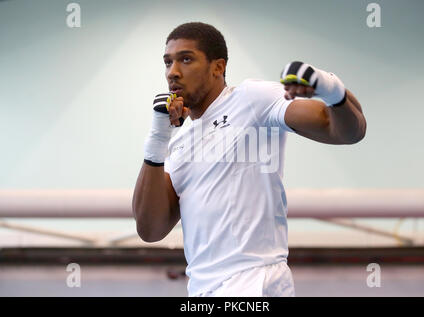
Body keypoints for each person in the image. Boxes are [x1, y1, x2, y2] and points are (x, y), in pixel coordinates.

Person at [132, 22, 366, 297]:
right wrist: (158, 140)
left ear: (218, 67)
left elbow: (345, 131)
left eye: (186, 59)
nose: (173, 72)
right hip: (203, 291)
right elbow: (150, 229)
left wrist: (330, 89)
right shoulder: (180, 141)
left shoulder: (251, 98)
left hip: (255, 283)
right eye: (168, 62)